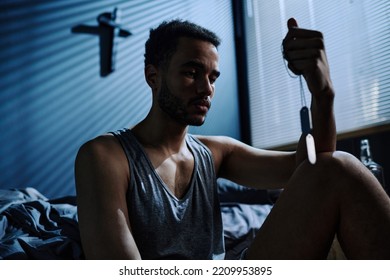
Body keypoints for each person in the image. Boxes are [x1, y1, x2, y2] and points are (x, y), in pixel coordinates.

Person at [75, 18, 390, 260]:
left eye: (212, 77)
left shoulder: (215, 152)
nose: (207, 89)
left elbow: (316, 165)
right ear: (153, 76)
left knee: (340, 166)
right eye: (192, 72)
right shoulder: (106, 155)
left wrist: (323, 93)